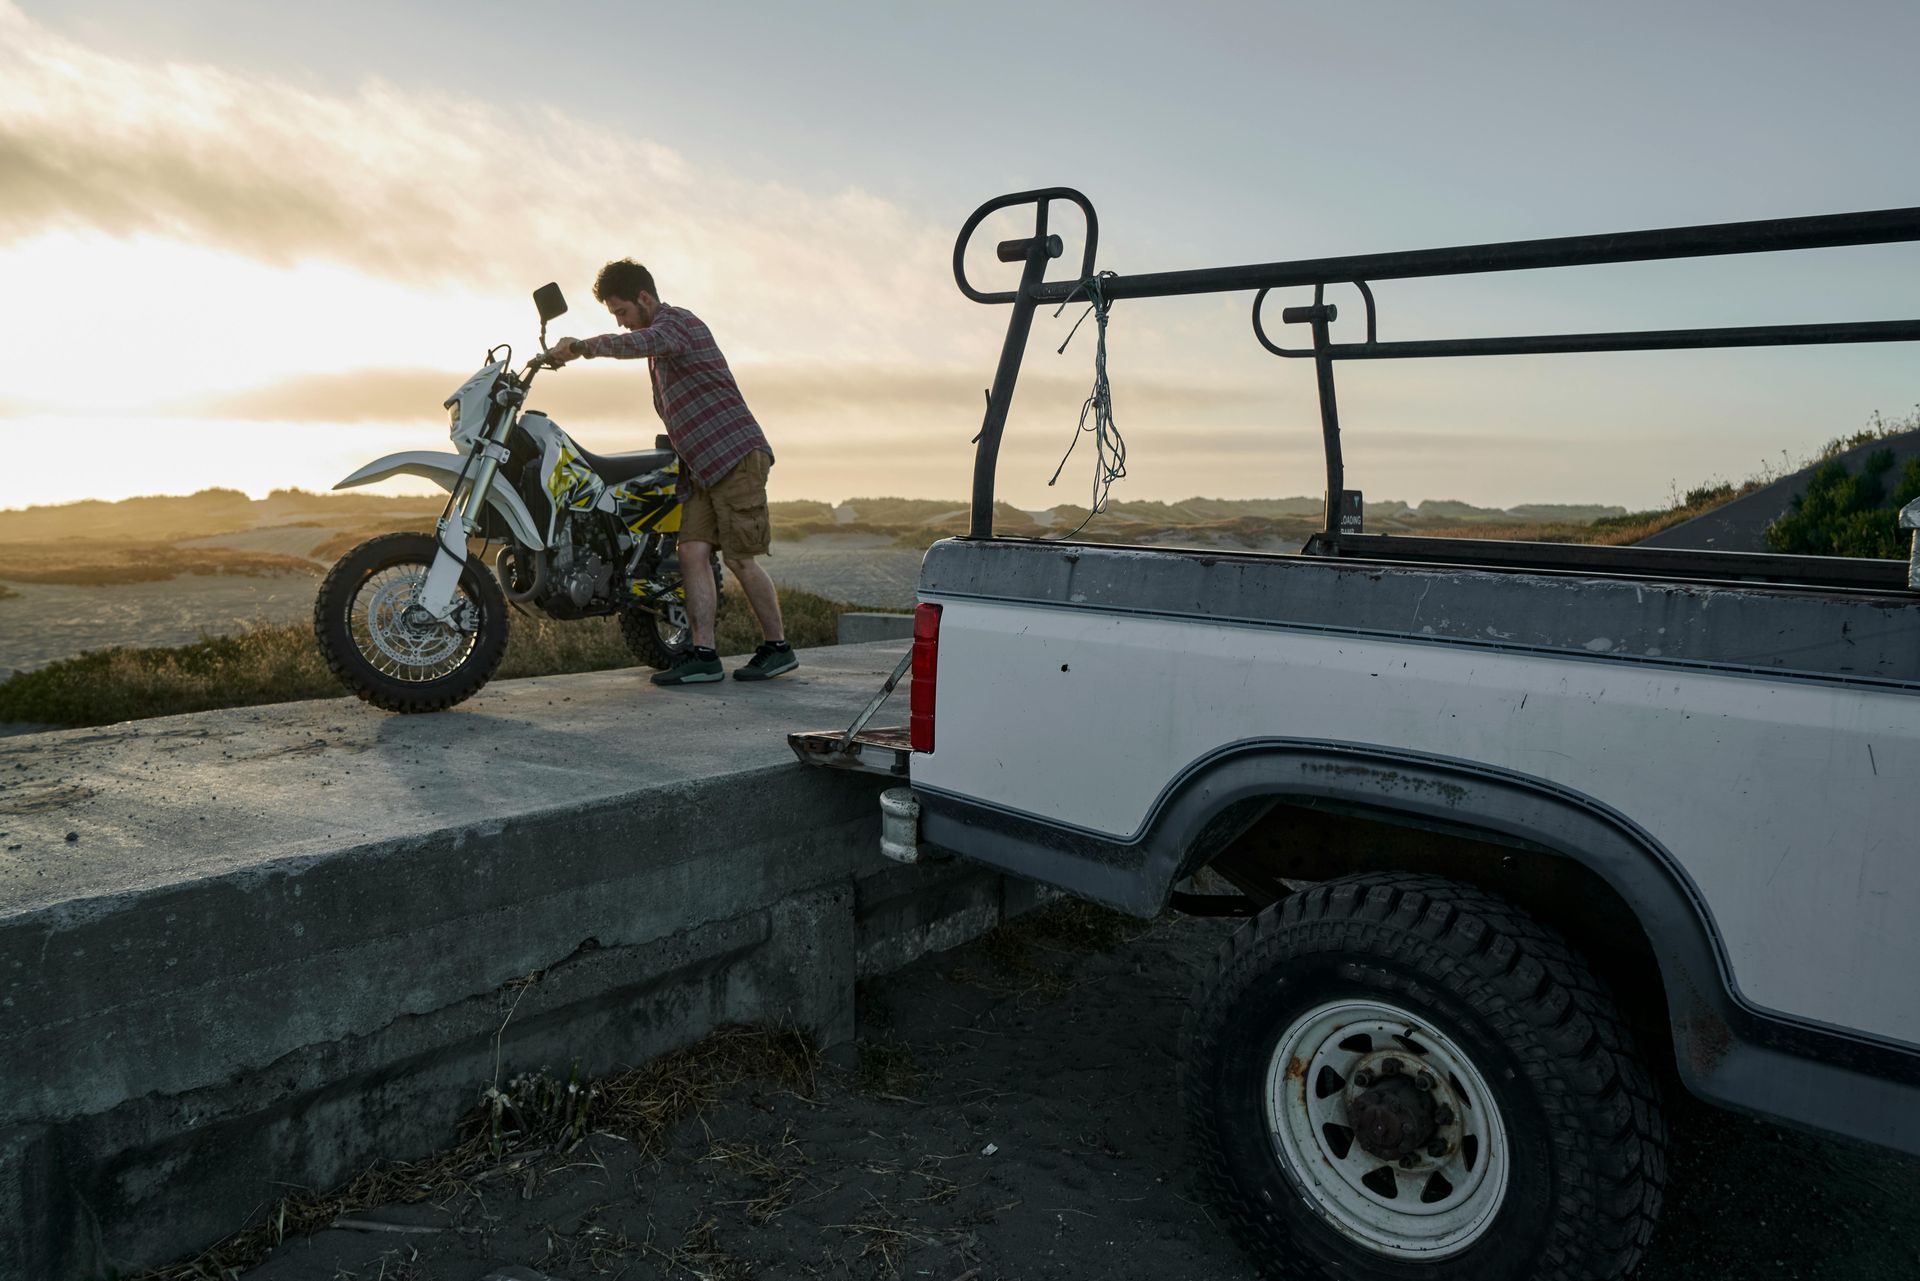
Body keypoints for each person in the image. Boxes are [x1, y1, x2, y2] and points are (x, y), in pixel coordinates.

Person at [548, 259, 796, 686]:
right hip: (700, 470)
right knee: (691, 554)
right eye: (615, 317)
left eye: (622, 312)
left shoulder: (679, 324)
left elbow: (642, 341)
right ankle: (703, 655)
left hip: (735, 457)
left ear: (645, 298)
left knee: (739, 558)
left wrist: (585, 346)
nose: (622, 323)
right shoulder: (661, 346)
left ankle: (778, 648)